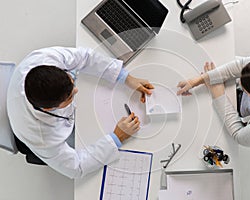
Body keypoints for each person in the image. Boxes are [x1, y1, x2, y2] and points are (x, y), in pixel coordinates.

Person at [7, 46, 154, 178]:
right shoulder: (42, 137)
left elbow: (85, 57)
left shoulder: (43, 59)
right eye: (70, 96)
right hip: (32, 130)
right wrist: (117, 138)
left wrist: (126, 78)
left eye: (71, 81)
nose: (76, 90)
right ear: (49, 109)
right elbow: (77, 168)